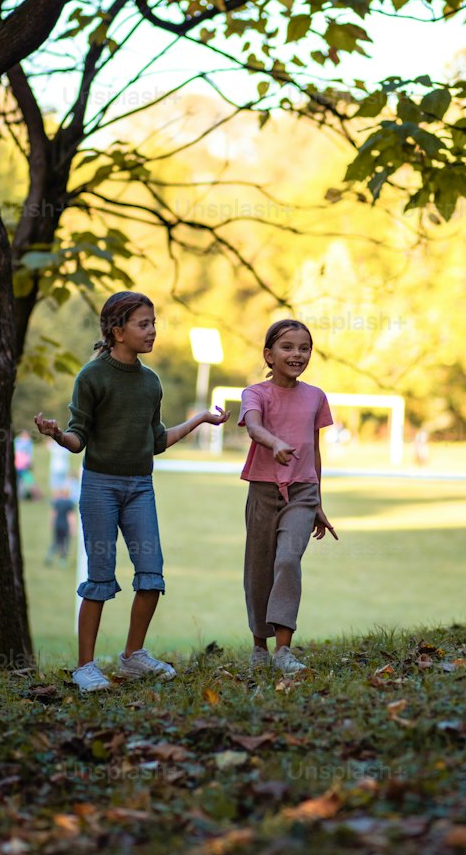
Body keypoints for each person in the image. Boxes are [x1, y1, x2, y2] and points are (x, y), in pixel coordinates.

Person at [35, 290, 229, 692]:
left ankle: (133, 656)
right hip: (100, 488)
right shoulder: (92, 377)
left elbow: (157, 440)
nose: (153, 331)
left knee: (152, 574)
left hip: (141, 487)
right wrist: (57, 435)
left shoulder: (150, 383)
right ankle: (85, 667)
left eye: (154, 323)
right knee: (100, 577)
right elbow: (78, 438)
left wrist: (199, 420)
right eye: (144, 324)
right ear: (117, 331)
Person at [238, 318, 338, 678]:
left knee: (287, 560)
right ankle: (259, 646)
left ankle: (283, 650)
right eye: (287, 347)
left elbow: (315, 451)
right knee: (259, 569)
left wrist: (318, 503)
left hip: (302, 494)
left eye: (304, 348)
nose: (297, 354)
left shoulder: (316, 397)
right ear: (269, 355)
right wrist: (274, 443)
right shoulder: (255, 394)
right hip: (263, 490)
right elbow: (252, 425)